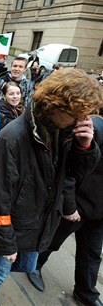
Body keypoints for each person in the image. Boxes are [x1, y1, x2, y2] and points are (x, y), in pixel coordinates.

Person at [0, 68, 103, 306]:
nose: (80, 121)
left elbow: (75, 174)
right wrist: (6, 242)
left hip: (40, 223)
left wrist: (85, 146)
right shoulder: (12, 138)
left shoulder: (63, 131)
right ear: (55, 105)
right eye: (74, 114)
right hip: (14, 224)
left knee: (25, 265)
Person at [27, 115, 103, 306]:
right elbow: (67, 169)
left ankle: (86, 292)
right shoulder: (96, 128)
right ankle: (34, 264)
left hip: (99, 211)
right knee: (52, 239)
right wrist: (69, 205)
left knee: (91, 252)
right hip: (78, 204)